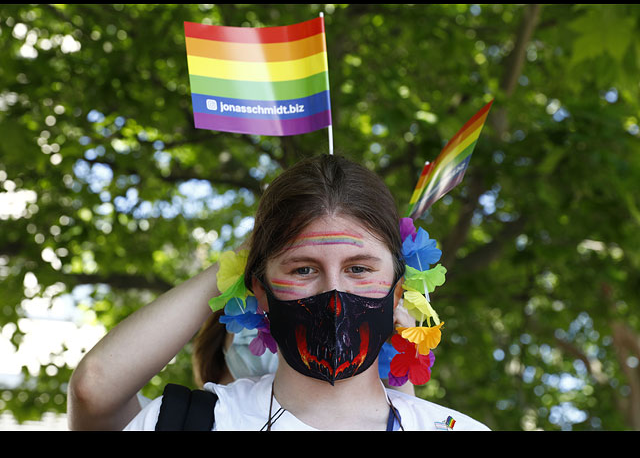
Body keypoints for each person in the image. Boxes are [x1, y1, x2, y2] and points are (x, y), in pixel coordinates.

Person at [78, 154, 489, 431]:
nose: (334, 292)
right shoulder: (186, 421)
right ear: (259, 290)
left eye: (359, 268)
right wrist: (242, 255)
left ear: (398, 291)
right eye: (304, 268)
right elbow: (93, 387)